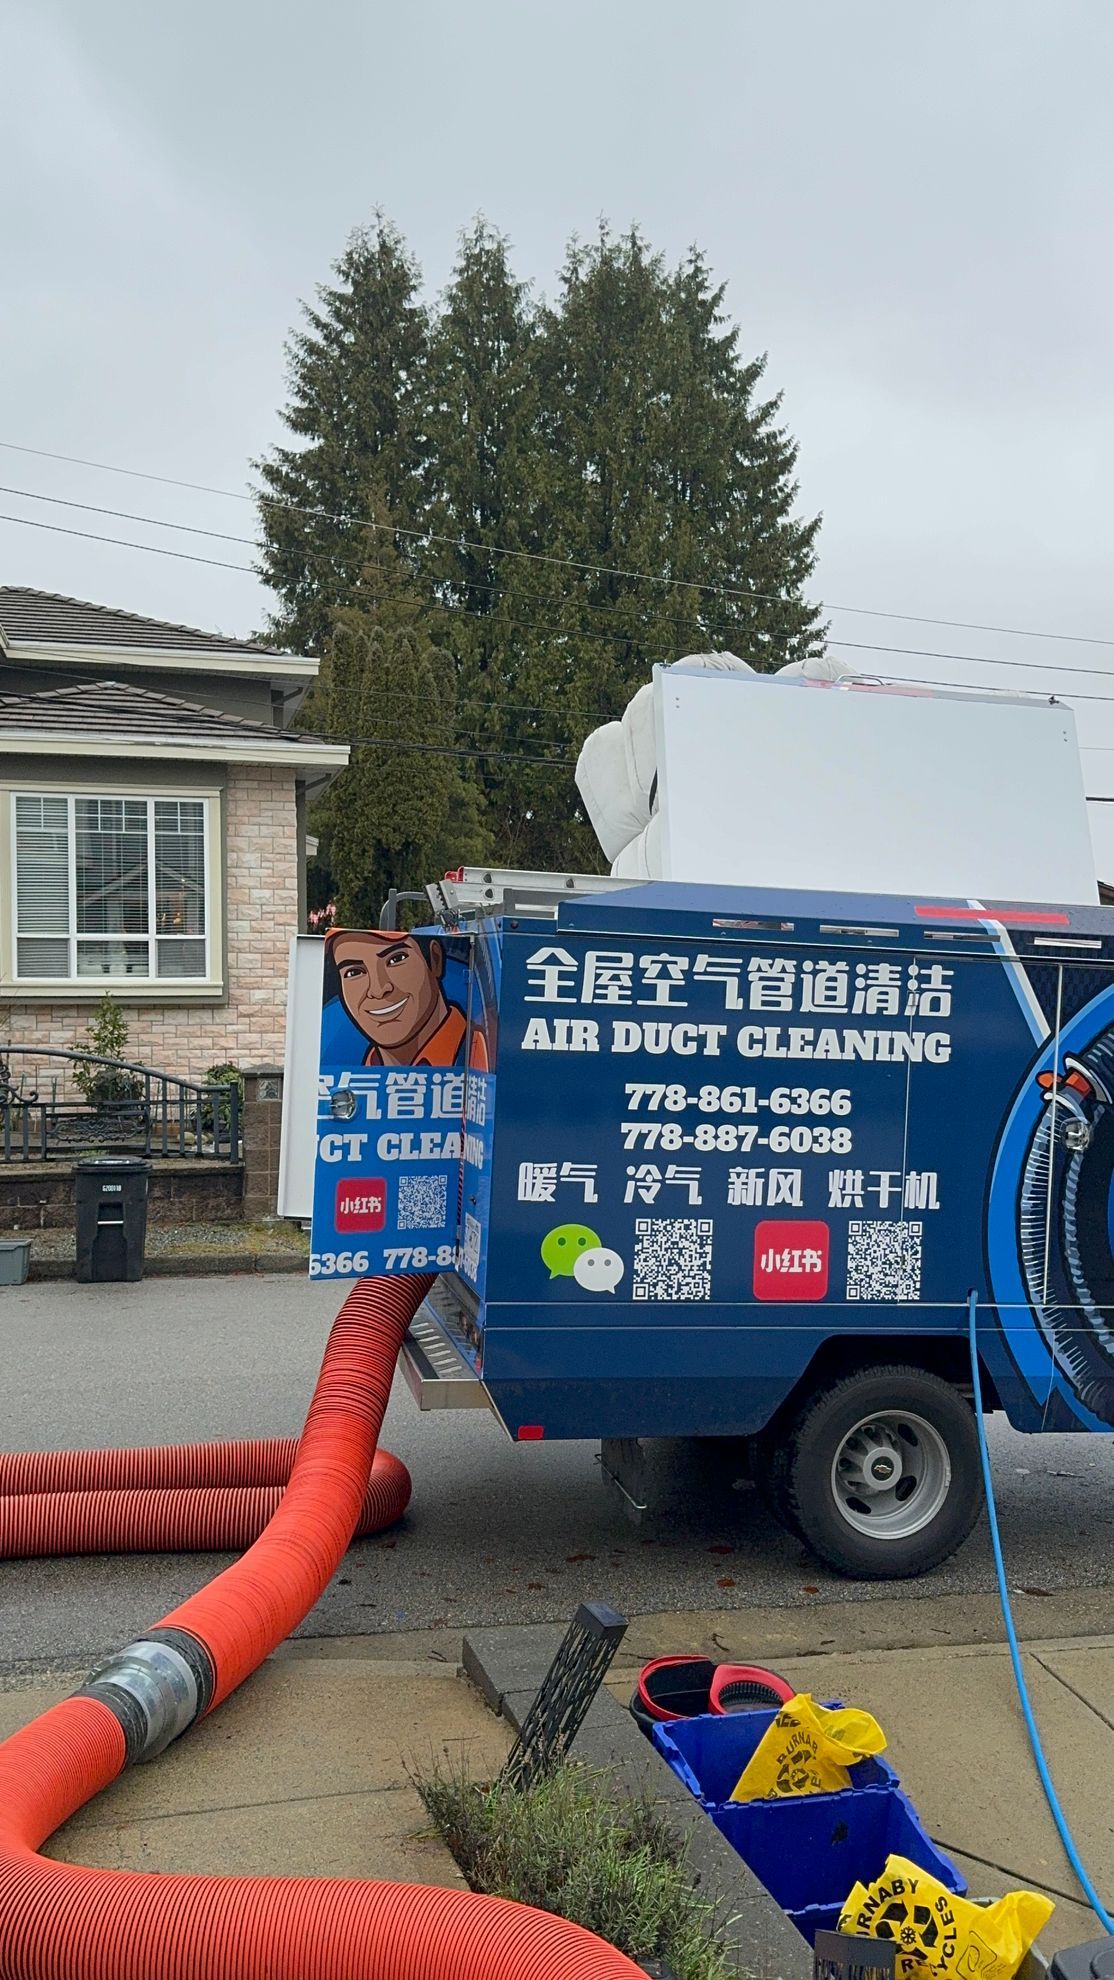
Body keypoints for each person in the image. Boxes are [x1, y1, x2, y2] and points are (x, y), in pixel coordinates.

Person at [325, 928, 488, 1069]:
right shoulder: (365, 1068)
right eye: (354, 972)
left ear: (435, 959)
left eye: (396, 959)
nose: (378, 989)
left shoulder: (477, 1054)